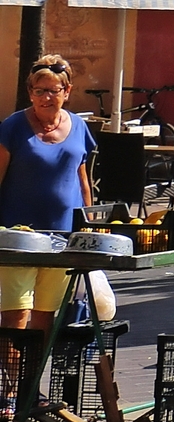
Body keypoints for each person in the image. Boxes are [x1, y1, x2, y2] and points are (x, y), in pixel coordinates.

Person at [0, 55, 95, 345]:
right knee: (15, 316)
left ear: (67, 92)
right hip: (18, 238)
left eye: (53, 90)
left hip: (63, 238)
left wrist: (88, 223)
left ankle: (31, 386)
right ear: (30, 93)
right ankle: (12, 388)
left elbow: (82, 180)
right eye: (39, 91)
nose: (46, 97)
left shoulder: (79, 126)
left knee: (45, 316)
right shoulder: (13, 127)